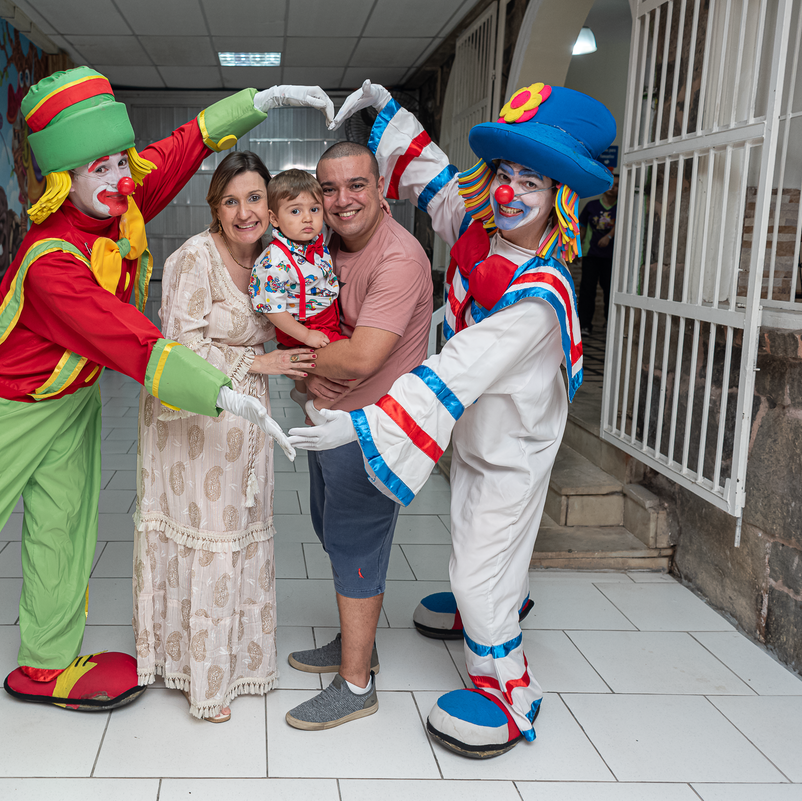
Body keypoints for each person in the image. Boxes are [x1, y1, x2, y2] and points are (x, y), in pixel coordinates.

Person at [0, 67, 334, 776]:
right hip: (4, 403)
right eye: (101, 166)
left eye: (121, 160)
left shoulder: (121, 194)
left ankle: (47, 660)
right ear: (66, 177)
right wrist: (229, 391)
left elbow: (189, 142)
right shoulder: (50, 260)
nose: (122, 176)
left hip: (73, 401)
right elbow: (135, 341)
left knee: (64, 530)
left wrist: (264, 100)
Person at [290, 81, 614, 758]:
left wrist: (359, 424)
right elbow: (438, 180)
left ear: (563, 196)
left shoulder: (539, 294)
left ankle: (508, 692)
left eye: (533, 180)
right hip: (477, 435)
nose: (509, 191)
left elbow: (458, 366)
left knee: (477, 567)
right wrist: (385, 111)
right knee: (477, 534)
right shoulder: (481, 236)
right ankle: (497, 598)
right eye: (506, 174)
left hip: (513, 446)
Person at [133, 152, 316, 723]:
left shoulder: (274, 258)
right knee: (209, 533)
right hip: (192, 419)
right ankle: (200, 679)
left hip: (246, 421)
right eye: (231, 200)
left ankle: (238, 661)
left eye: (255, 198)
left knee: (240, 528)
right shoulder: (194, 258)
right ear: (215, 207)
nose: (245, 211)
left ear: (271, 202)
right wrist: (262, 365)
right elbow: (179, 351)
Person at [281, 141, 434, 731]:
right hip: (331, 422)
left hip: (373, 429)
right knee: (330, 527)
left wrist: (287, 361)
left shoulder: (398, 258)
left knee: (355, 544)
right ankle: (358, 645)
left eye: (356, 186)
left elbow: (365, 357)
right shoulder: (325, 246)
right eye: (328, 188)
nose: (341, 200)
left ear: (381, 188)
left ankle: (354, 684)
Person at [250, 169, 346, 402]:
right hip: (303, 324)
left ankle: (303, 394)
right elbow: (273, 309)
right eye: (295, 211)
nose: (307, 218)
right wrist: (306, 335)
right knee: (349, 365)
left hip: (325, 314)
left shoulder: (314, 241)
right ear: (274, 219)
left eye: (314, 209)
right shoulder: (274, 261)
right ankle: (313, 405)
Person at [578, 171, 619, 336]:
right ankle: (584, 325)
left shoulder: (621, 207)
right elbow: (582, 228)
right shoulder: (591, 206)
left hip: (611, 256)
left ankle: (610, 323)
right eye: (611, 184)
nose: (613, 188)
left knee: (610, 289)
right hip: (591, 253)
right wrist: (576, 249)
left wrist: (609, 236)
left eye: (617, 186)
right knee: (587, 289)